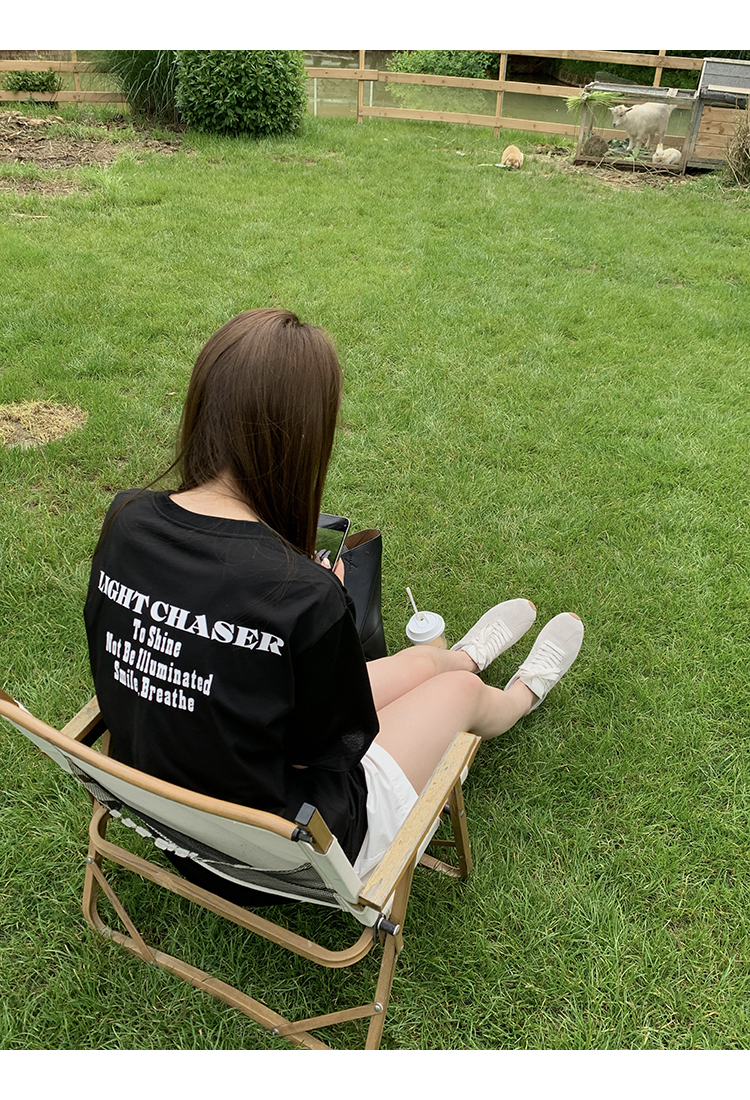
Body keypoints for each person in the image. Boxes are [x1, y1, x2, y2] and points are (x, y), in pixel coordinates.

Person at [84, 307, 583, 898]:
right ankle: (517, 694)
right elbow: (329, 753)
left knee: (424, 664)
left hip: (170, 814)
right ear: (301, 436)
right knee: (456, 696)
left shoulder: (126, 519)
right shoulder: (303, 593)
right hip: (291, 845)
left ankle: (464, 655)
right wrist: (332, 605)